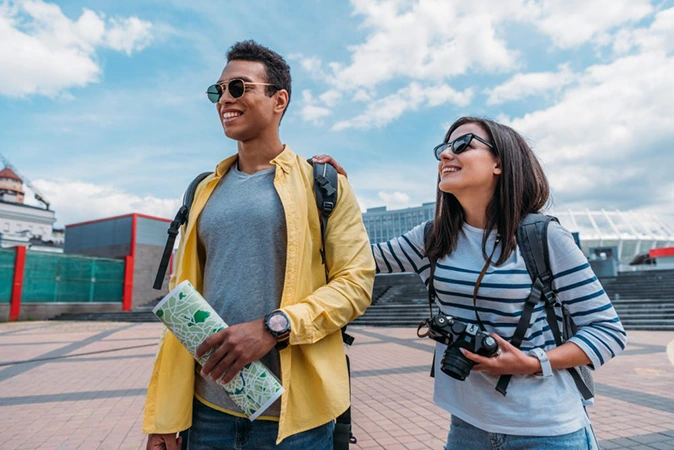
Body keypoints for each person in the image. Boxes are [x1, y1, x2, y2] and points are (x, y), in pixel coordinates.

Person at [315, 116, 626, 449]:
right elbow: (355, 257)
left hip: (546, 428)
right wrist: (338, 195)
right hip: (467, 426)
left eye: (462, 145)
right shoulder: (433, 238)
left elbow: (607, 330)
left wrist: (533, 362)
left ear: (500, 164)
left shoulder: (543, 237)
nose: (446, 155)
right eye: (443, 148)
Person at [143, 40, 375, 449]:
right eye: (217, 91)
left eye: (238, 87)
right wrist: (165, 416)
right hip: (207, 415)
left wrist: (275, 327)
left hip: (295, 422)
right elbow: (184, 308)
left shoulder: (323, 183)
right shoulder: (202, 190)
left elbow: (356, 284)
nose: (224, 100)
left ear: (278, 99)